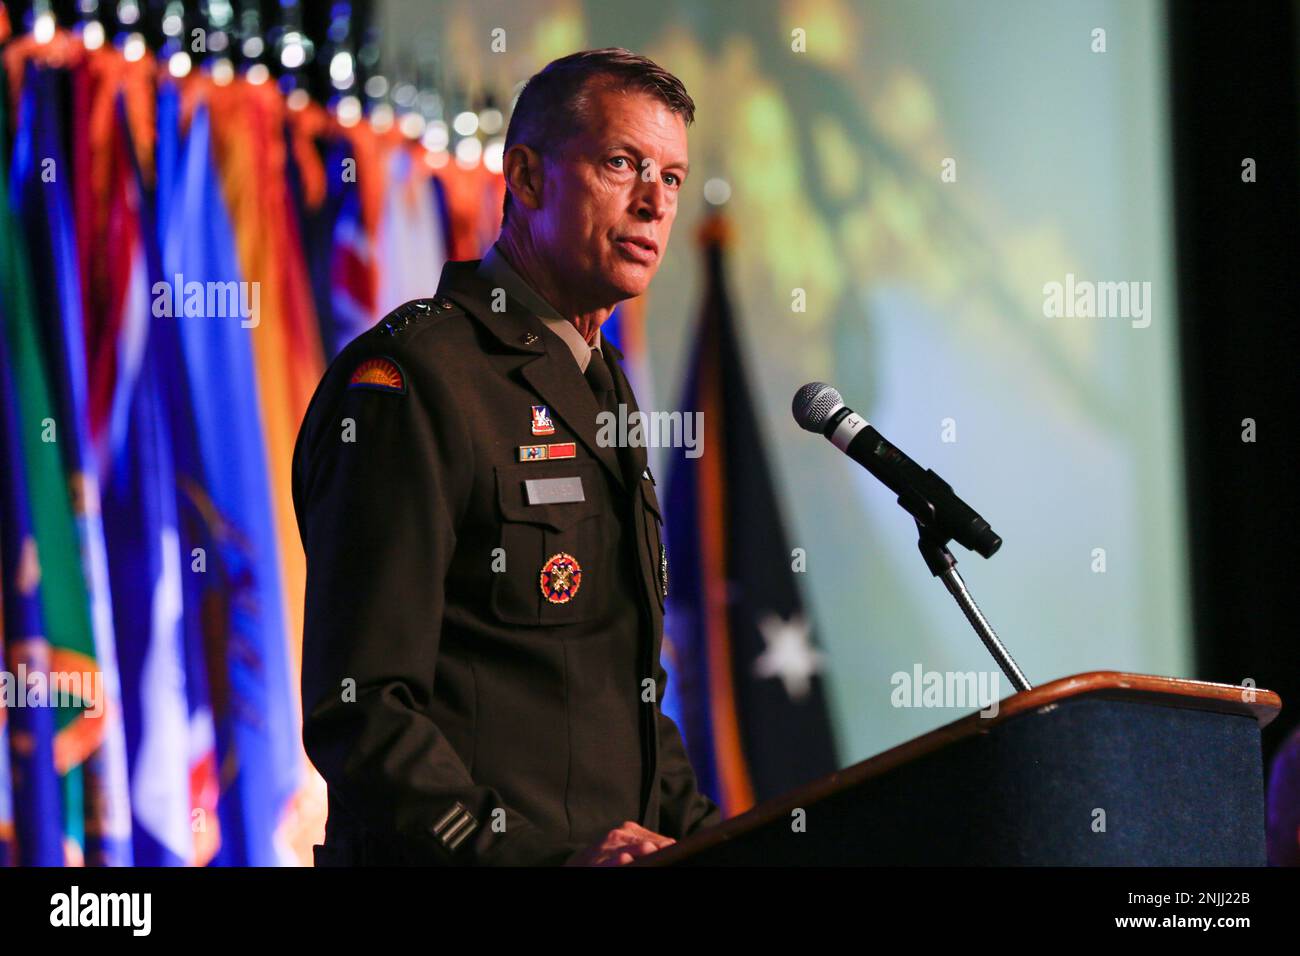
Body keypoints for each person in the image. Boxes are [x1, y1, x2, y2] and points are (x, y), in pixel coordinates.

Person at [293, 48, 720, 866]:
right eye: (621, 162)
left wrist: (715, 842)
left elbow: (618, 687)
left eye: (671, 177)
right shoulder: (415, 381)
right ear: (524, 178)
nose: (652, 202)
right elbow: (363, 711)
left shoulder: (602, 383)